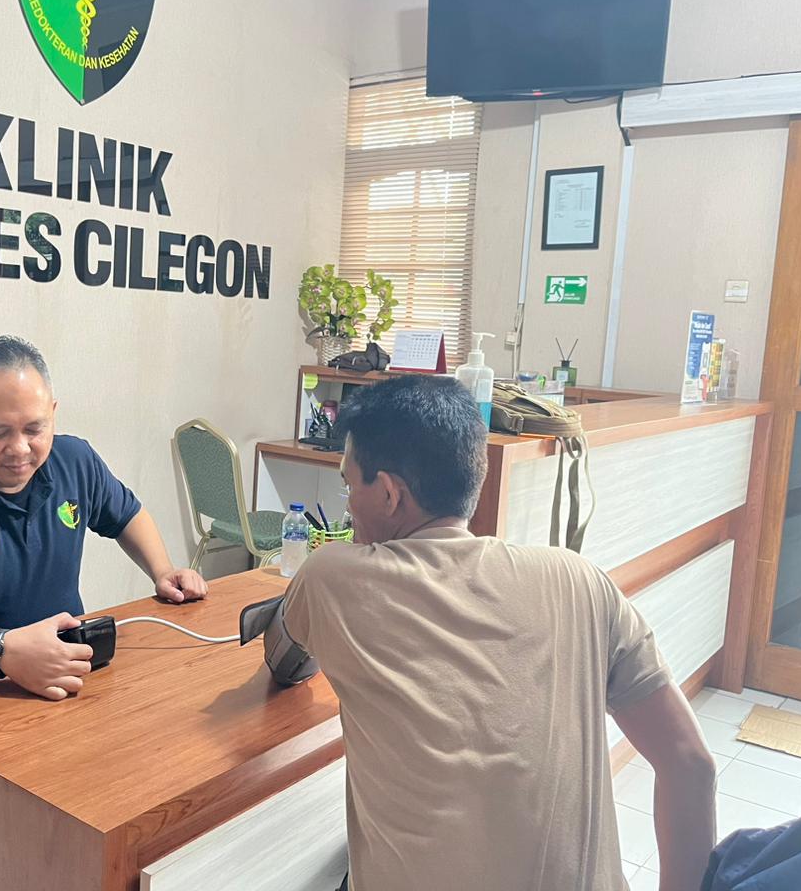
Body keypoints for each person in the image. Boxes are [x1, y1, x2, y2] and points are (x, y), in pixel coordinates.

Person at [281, 375, 717, 891]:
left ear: (390, 494)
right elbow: (691, 764)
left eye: (350, 486)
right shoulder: (578, 579)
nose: (349, 504)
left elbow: (283, 658)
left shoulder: (333, 578)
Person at [0, 336, 207, 700]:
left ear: (53, 414)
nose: (19, 448)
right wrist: (3, 650)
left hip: (61, 670)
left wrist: (162, 570)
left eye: (34, 429)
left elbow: (128, 515)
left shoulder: (75, 462)